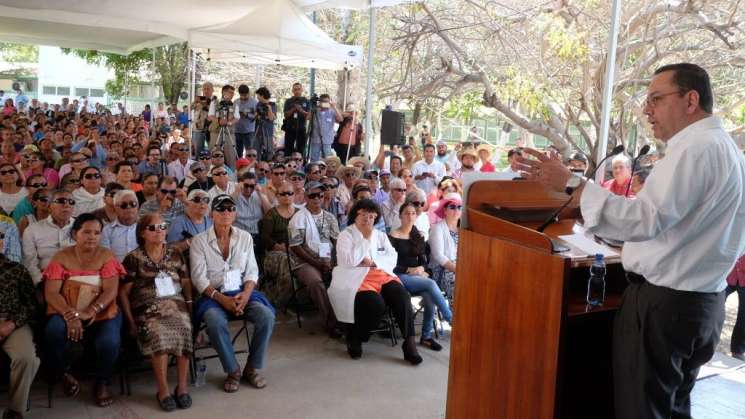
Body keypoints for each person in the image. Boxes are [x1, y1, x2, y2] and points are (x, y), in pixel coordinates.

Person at [518, 63, 745, 419]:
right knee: (671, 408)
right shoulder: (728, 150)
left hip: (665, 306)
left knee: (643, 410)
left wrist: (574, 185)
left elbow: (647, 219)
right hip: (700, 302)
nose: (646, 110)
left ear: (691, 99)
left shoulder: (696, 149)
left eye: (656, 98)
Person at [190, 195, 275, 392]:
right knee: (214, 320)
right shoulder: (199, 241)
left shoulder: (244, 237)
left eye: (230, 208)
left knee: (266, 316)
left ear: (235, 213)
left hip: (241, 291)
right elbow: (199, 279)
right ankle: (233, 370)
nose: (226, 212)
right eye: (221, 208)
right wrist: (223, 300)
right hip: (213, 294)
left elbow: (252, 271)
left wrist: (245, 295)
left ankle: (251, 368)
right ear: (212, 214)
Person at [43, 213, 125, 408]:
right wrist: (70, 316)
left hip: (101, 310)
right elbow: (52, 293)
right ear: (74, 233)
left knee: (110, 341)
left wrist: (91, 310)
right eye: (86, 232)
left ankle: (102, 382)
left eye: (97, 233)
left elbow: (111, 290)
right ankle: (63, 372)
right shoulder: (61, 256)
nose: (92, 237)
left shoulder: (106, 255)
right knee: (53, 331)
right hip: (67, 309)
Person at [328, 199, 422, 365]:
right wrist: (364, 240)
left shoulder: (380, 235)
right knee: (375, 304)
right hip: (355, 277)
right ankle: (356, 336)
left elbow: (392, 257)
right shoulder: (346, 235)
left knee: (401, 295)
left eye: (372, 216)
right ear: (355, 215)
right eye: (364, 215)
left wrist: (372, 262)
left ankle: (409, 343)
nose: (368, 219)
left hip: (380, 273)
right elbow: (346, 261)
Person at [120, 213, 193, 411]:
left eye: (162, 226)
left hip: (175, 304)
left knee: (184, 327)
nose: (159, 230)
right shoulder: (133, 258)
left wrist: (189, 303)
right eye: (152, 228)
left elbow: (185, 280)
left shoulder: (175, 252)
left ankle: (182, 387)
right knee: (158, 333)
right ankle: (163, 390)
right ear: (142, 233)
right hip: (147, 307)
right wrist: (130, 321)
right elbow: (124, 293)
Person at [389, 202, 452, 351]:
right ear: (400, 216)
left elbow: (425, 262)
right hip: (399, 276)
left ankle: (426, 336)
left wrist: (422, 269)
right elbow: (388, 264)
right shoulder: (393, 236)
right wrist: (408, 269)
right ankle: (450, 318)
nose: (410, 216)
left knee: (429, 299)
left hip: (416, 277)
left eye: (413, 213)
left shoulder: (418, 236)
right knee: (430, 284)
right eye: (406, 213)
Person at [288, 182, 341, 336]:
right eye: (312, 195)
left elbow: (337, 242)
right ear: (306, 197)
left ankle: (347, 318)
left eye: (320, 195)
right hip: (304, 262)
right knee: (316, 283)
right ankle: (331, 322)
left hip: (328, 260)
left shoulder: (330, 217)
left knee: (345, 277)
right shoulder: (297, 219)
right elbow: (296, 247)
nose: (317, 198)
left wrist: (334, 263)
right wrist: (317, 263)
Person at [0, 231, 40, 419]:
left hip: (13, 322)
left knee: (26, 358)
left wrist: (11, 324)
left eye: (0, 237)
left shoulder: (16, 269)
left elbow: (31, 304)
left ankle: (15, 409)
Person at [22, 189, 76, 286]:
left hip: (77, 279)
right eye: (61, 201)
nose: (67, 205)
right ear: (50, 206)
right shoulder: (32, 230)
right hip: (45, 280)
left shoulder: (81, 227)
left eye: (71, 202)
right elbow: (30, 262)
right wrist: (40, 283)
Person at [258, 181, 298, 305]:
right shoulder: (271, 214)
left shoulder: (300, 213)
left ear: (294, 195)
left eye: (290, 193)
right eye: (283, 194)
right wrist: (283, 248)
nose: (287, 196)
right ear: (277, 196)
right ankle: (280, 300)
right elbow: (265, 239)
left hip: (296, 250)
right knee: (287, 262)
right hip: (274, 253)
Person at [429, 193, 461, 303]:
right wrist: (459, 270)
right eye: (452, 207)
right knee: (460, 282)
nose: (456, 209)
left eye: (459, 207)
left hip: (462, 268)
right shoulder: (437, 229)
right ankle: (454, 317)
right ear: (445, 210)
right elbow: (439, 256)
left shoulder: (464, 229)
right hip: (443, 270)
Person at [101, 190, 139, 262]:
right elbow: (106, 258)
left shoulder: (146, 228)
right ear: (115, 208)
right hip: (116, 271)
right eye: (123, 205)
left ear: (137, 206)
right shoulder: (107, 231)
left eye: (133, 204)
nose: (129, 207)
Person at [208, 85, 240, 170]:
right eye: (230, 92)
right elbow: (210, 116)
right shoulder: (215, 103)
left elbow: (237, 117)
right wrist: (218, 121)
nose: (232, 94)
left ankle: (231, 176)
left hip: (229, 133)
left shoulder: (234, 105)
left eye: (233, 93)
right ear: (223, 92)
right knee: (215, 154)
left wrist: (230, 122)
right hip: (216, 133)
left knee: (231, 155)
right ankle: (212, 174)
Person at [234, 172, 271, 237]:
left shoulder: (259, 195)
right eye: (246, 185)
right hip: (239, 233)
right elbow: (227, 205)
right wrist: (236, 192)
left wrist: (260, 194)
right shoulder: (235, 195)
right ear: (241, 184)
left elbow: (269, 212)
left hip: (257, 233)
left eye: (251, 186)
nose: (248, 189)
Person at [309, 94, 343, 162]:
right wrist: (315, 107)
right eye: (324, 101)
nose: (325, 103)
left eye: (327, 101)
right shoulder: (315, 110)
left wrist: (334, 107)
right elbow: (307, 117)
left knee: (328, 159)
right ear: (320, 101)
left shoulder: (332, 111)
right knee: (314, 159)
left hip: (327, 140)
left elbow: (340, 119)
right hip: (316, 139)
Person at [282, 82, 310, 156]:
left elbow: (309, 117)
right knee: (288, 149)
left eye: (299, 89)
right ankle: (288, 164)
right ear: (292, 91)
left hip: (301, 129)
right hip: (290, 128)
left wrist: (301, 110)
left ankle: (300, 165)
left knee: (301, 149)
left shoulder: (306, 101)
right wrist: (293, 109)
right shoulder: (288, 101)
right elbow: (285, 115)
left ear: (302, 90)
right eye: (295, 89)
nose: (297, 91)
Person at [253, 87, 277, 160]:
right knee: (256, 150)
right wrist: (257, 115)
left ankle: (268, 165)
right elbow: (255, 116)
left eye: (258, 95)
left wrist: (269, 109)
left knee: (269, 150)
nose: (257, 97)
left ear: (262, 95)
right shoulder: (258, 104)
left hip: (268, 132)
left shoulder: (272, 105)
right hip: (258, 130)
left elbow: (271, 118)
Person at [235, 84, 258, 159]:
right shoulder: (236, 102)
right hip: (237, 130)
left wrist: (247, 115)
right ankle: (239, 167)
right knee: (238, 152)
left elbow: (257, 116)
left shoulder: (254, 102)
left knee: (250, 152)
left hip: (249, 131)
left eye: (245, 95)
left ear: (248, 93)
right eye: (242, 95)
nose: (244, 97)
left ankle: (250, 167)